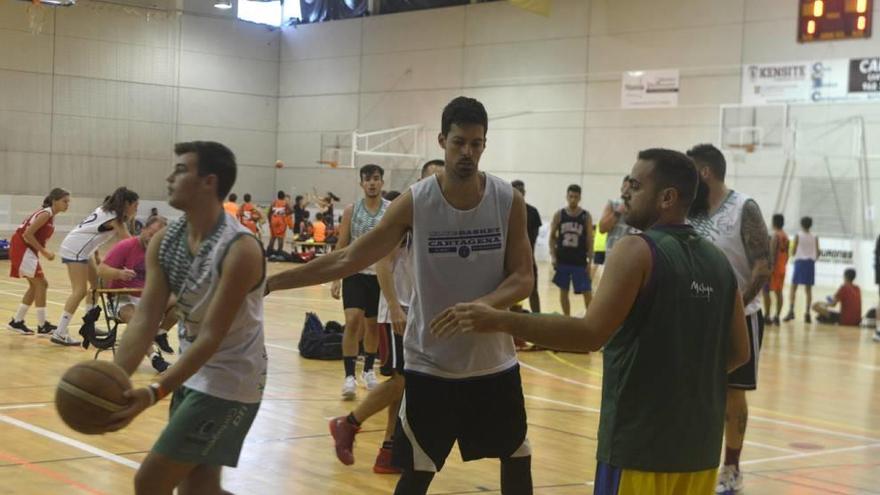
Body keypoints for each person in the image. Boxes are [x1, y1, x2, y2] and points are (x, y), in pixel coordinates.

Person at [431, 148, 750, 495]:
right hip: (699, 452)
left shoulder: (637, 250)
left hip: (640, 447)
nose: (624, 192)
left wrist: (501, 320)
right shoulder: (719, 261)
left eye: (635, 185)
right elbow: (739, 353)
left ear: (667, 198)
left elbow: (588, 334)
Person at [266, 96, 534, 495]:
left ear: (484, 144)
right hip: (431, 364)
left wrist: (484, 306)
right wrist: (271, 282)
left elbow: (524, 277)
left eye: (476, 144)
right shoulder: (417, 201)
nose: (467, 152)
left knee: (517, 461)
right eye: (459, 142)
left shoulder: (506, 200)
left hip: (493, 363)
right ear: (443, 141)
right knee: (417, 474)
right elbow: (351, 257)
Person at [108, 141, 266, 495]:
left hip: (230, 382)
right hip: (193, 372)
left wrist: (153, 391)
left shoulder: (240, 249)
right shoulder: (165, 240)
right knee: (200, 491)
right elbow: (146, 318)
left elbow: (212, 336)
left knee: (149, 481)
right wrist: (114, 382)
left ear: (208, 182)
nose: (169, 177)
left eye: (180, 170)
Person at [327, 161, 444, 475]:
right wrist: (393, 305)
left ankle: (389, 450)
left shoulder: (437, 219)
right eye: (432, 176)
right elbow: (382, 263)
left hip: (417, 311)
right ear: (421, 182)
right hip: (398, 309)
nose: (438, 181)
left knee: (405, 383)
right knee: (403, 379)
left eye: (440, 176)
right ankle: (349, 422)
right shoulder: (407, 217)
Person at [686, 143, 770, 495]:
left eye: (691, 170)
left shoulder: (743, 208)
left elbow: (763, 267)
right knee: (698, 391)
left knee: (734, 392)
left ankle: (731, 468)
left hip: (740, 316)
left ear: (705, 172)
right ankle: (694, 461)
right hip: (696, 315)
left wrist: (735, 307)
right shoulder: (692, 210)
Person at [330, 164, 391, 399]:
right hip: (355, 273)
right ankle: (348, 376)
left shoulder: (390, 209)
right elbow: (342, 244)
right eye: (368, 179)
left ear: (382, 182)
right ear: (361, 183)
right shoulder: (351, 210)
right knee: (352, 321)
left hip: (380, 276)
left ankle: (368, 371)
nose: (372, 183)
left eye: (376, 178)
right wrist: (336, 278)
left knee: (372, 326)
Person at [53, 187, 140, 346]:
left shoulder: (106, 209)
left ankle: (89, 326)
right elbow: (130, 242)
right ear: (127, 204)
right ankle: (60, 332)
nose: (137, 208)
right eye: (135, 205)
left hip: (85, 249)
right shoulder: (115, 219)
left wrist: (97, 253)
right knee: (79, 291)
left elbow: (91, 232)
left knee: (96, 286)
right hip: (75, 249)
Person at [97, 215, 175, 372]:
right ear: (144, 229)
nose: (153, 239)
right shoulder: (126, 246)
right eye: (151, 233)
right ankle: (155, 357)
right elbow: (101, 270)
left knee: (184, 301)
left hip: (148, 299)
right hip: (122, 299)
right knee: (136, 318)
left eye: (158, 237)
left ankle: (160, 334)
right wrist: (119, 273)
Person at [7, 188, 70, 335]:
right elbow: (28, 234)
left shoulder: (49, 215)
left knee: (36, 285)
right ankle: (42, 325)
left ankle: (17, 321)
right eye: (64, 201)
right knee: (41, 284)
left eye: (68, 202)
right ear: (55, 201)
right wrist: (44, 251)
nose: (67, 204)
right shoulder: (46, 213)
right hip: (21, 247)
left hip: (26, 249)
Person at [549, 184, 593, 316]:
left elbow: (589, 240)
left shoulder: (586, 216)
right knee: (563, 290)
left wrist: (590, 261)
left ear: (580, 198)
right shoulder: (559, 214)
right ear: (567, 197)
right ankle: (567, 317)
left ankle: (591, 317)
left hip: (579, 260)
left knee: (587, 291)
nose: (573, 199)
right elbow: (552, 237)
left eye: (576, 197)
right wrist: (553, 256)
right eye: (571, 196)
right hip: (563, 259)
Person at [512, 179, 542, 313]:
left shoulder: (533, 212)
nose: (519, 193)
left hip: (528, 259)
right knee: (509, 293)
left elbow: (533, 239)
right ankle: (510, 322)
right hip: (508, 260)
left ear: (524, 192)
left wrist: (526, 256)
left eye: (521, 190)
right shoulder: (504, 211)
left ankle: (538, 320)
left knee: (533, 291)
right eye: (516, 190)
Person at [784, 216, 819, 324]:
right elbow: (818, 253)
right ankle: (807, 313)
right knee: (808, 290)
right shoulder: (815, 237)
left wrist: (793, 253)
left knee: (793, 288)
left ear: (801, 224)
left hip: (800, 263)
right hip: (810, 264)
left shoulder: (798, 235)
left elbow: (793, 251)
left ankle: (791, 311)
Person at [763, 214, 789, 325]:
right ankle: (777, 316)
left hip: (773, 269)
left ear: (774, 222)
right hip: (782, 268)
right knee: (779, 292)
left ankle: (767, 316)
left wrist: (769, 267)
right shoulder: (786, 236)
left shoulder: (775, 236)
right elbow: (787, 254)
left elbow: (772, 253)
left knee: (766, 291)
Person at [268, 190, 291, 255]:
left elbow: (269, 213)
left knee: (273, 237)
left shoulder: (274, 202)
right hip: (281, 221)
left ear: (278, 196)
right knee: (280, 237)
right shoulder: (285, 203)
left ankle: (270, 252)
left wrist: (270, 221)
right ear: (283, 196)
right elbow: (291, 210)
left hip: (273, 220)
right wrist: (285, 213)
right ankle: (279, 252)